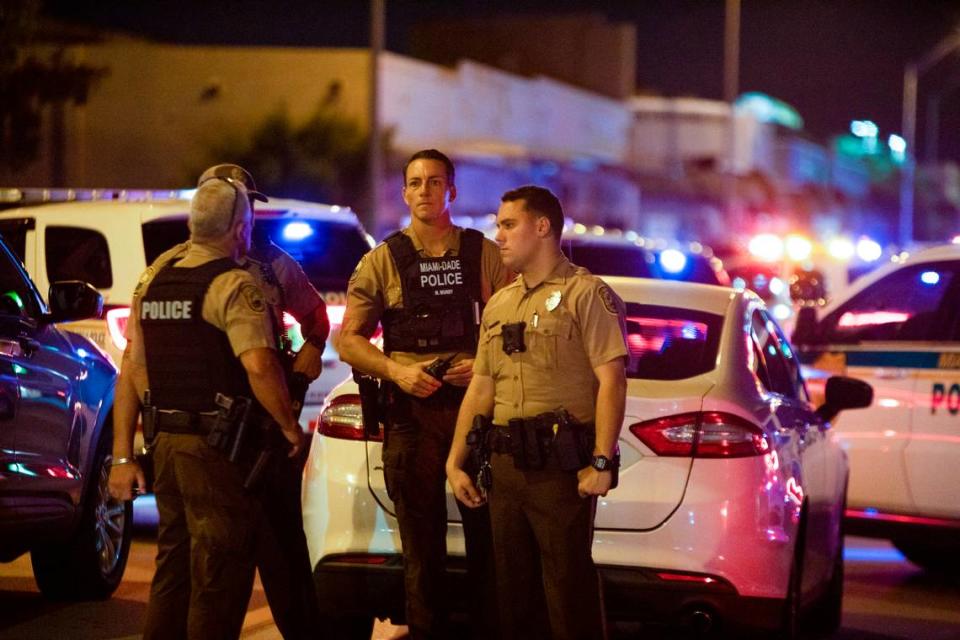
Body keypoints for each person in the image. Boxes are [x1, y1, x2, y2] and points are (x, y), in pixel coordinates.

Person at [122, 163, 329, 639]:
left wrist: (313, 348)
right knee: (215, 566)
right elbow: (137, 363)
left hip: (257, 435)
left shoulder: (274, 264)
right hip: (226, 437)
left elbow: (316, 316)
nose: (249, 216)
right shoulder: (174, 269)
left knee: (281, 555)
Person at [338, 149, 510, 638]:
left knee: (489, 546)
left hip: (475, 412)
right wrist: (397, 372)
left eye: (435, 182)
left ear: (451, 190)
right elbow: (348, 341)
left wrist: (483, 365)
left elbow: (517, 323)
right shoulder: (383, 260)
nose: (424, 192)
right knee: (421, 549)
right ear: (404, 191)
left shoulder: (485, 254)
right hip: (411, 414)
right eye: (415, 183)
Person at [446, 185, 628, 640]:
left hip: (560, 469)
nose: (499, 236)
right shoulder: (501, 304)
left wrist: (602, 461)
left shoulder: (585, 294)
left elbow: (612, 380)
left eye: (509, 225)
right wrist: (455, 461)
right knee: (512, 599)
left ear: (542, 227)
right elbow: (482, 386)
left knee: (567, 593)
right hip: (504, 468)